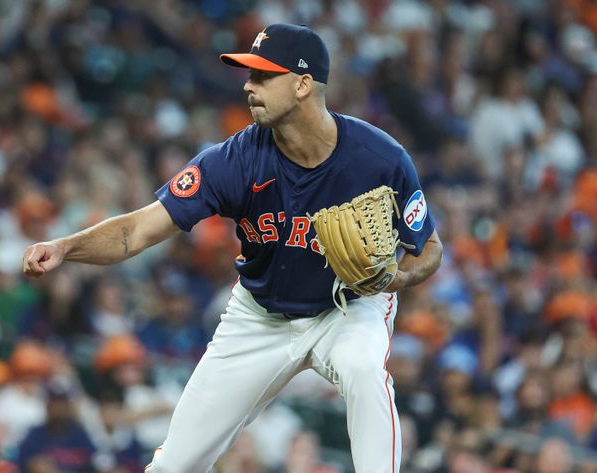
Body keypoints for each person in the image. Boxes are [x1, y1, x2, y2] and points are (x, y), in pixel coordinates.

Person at [22, 23, 443, 473]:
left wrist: (397, 278)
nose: (248, 85)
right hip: (260, 316)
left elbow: (429, 248)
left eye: (263, 76)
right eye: (249, 74)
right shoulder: (234, 160)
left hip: (347, 308)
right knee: (171, 466)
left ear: (303, 85)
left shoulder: (380, 158)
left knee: (363, 369)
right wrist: (67, 247)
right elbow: (136, 232)